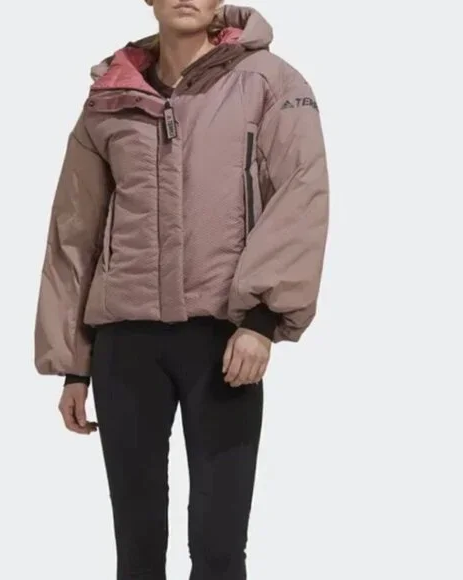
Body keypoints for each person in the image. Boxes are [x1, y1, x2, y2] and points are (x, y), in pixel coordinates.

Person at [34, 1, 329, 578]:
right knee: (137, 549)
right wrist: (74, 365)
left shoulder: (269, 82)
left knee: (219, 548)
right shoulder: (110, 96)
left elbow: (301, 194)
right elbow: (74, 231)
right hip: (125, 347)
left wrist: (261, 321)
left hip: (223, 342)